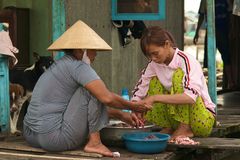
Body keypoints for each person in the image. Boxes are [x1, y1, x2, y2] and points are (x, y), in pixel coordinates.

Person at [23, 20, 150, 157]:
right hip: (54, 139)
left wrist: (121, 114)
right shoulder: (78, 66)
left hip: (30, 135)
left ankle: (95, 140)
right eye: (93, 49)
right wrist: (134, 106)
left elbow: (86, 110)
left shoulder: (59, 65)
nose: (95, 54)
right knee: (92, 91)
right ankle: (94, 143)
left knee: (93, 91)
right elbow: (105, 98)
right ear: (80, 50)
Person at [132, 26, 216, 142]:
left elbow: (191, 97)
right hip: (174, 121)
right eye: (149, 55)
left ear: (167, 44)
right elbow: (140, 89)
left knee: (178, 76)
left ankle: (185, 127)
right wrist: (135, 106)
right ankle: (169, 126)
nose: (153, 58)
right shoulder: (153, 65)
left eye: (156, 53)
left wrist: (154, 98)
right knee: (154, 81)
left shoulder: (185, 60)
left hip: (201, 120)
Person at [193, 0, 235, 89]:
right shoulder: (205, 1)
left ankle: (231, 82)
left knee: (226, 56)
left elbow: (231, 14)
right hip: (211, 31)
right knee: (209, 58)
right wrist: (197, 32)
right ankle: (208, 84)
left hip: (223, 30)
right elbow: (201, 16)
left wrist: (231, 30)